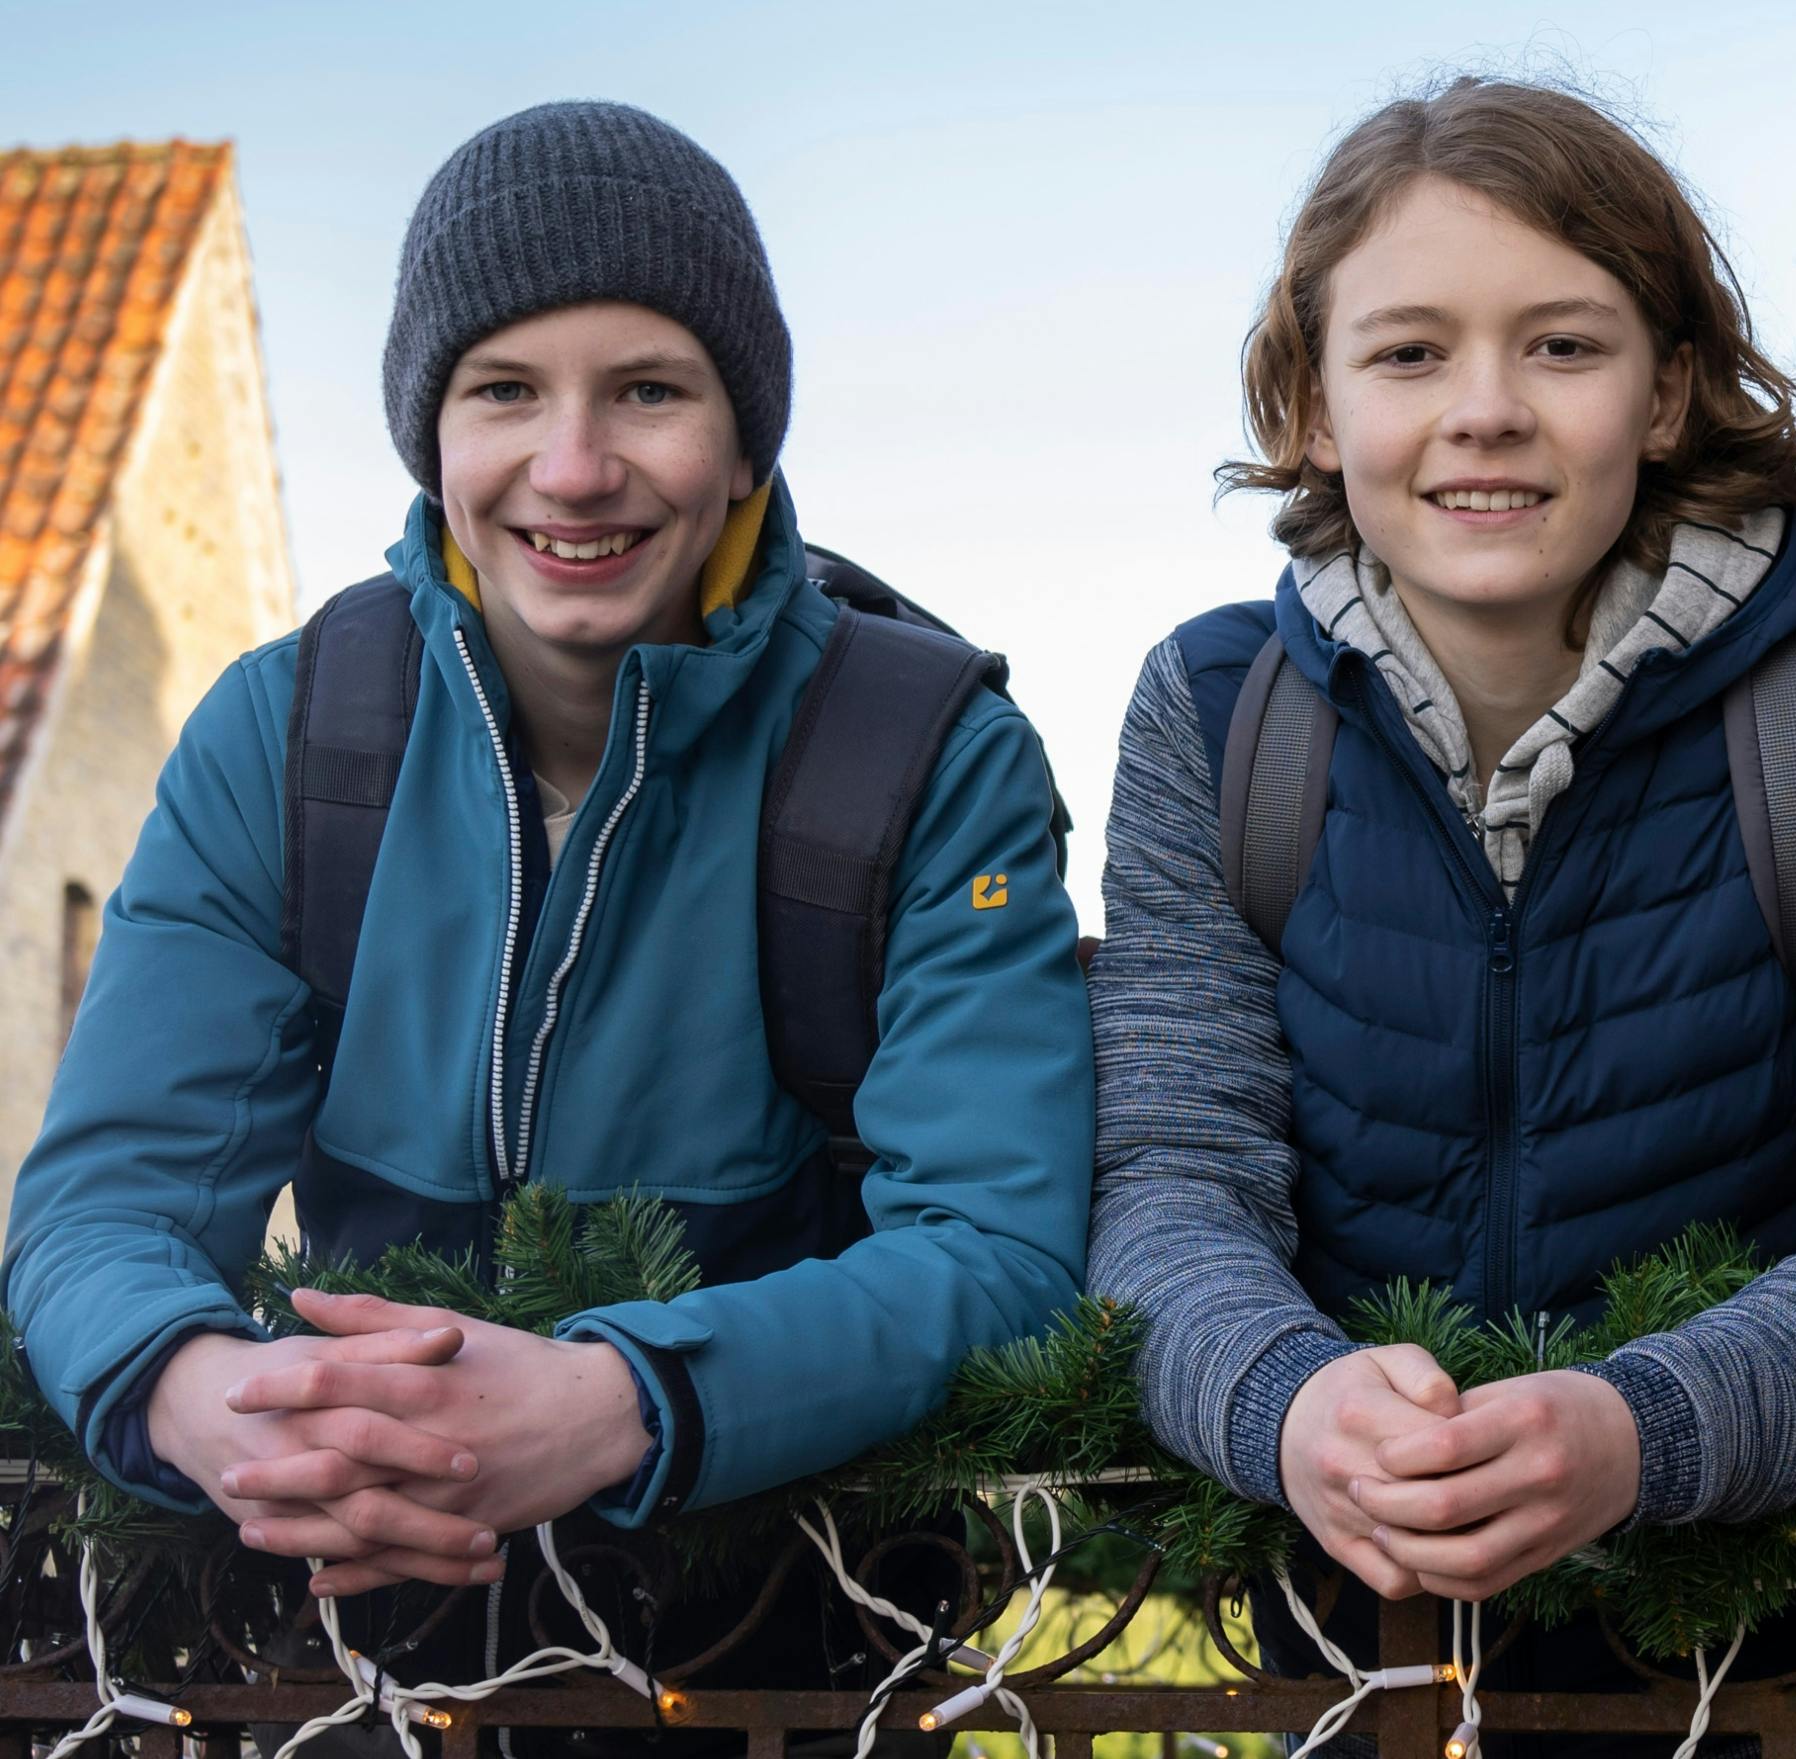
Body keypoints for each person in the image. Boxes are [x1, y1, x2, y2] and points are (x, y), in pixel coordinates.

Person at [3, 100, 1091, 1702]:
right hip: (363, 1638)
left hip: (805, 1648)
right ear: (429, 434)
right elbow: (105, 1206)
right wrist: (201, 1394)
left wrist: (615, 1403)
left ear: (743, 442)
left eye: (648, 391)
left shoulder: (929, 757)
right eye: (504, 392)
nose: (572, 471)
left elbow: (998, 1246)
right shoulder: (289, 737)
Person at [1087, 76, 1796, 1751]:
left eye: (1563, 345)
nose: (1486, 411)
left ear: (1669, 390)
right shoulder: (1217, 713)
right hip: (1343, 1656)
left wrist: (1640, 1431)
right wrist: (1285, 1402)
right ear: (1314, 404)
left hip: (1764, 1665)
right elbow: (1172, 1175)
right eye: (1408, 353)